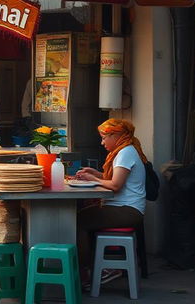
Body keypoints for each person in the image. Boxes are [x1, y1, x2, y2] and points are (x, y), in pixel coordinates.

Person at [75, 119, 147, 286]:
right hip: (123, 208)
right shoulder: (124, 151)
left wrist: (92, 178)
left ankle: (88, 272)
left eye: (104, 138)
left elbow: (115, 185)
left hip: (128, 211)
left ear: (115, 136)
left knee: (79, 221)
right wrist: (96, 173)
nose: (102, 142)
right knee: (84, 215)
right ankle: (99, 266)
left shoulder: (125, 152)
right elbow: (113, 179)